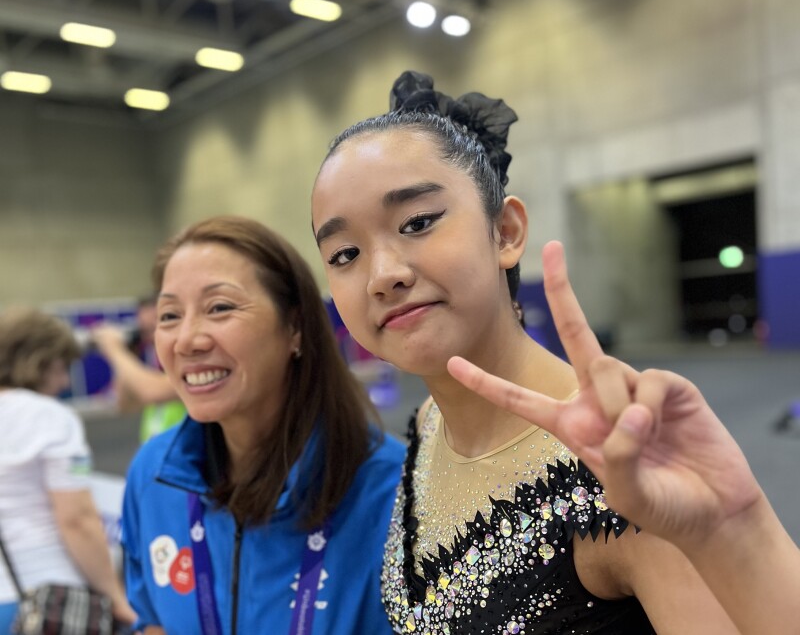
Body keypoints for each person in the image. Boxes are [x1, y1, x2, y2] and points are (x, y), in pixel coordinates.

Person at [311, 71, 800, 634]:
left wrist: (737, 531)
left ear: (506, 231)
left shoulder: (622, 470)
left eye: (418, 222)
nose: (383, 275)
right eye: (345, 253)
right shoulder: (426, 426)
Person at [121, 216, 405, 634]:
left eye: (219, 307)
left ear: (294, 327)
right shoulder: (154, 475)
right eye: (168, 316)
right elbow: (154, 621)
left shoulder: (392, 488)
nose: (186, 340)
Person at [0, 307, 136, 633]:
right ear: (39, 361)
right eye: (61, 368)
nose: (63, 382)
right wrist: (116, 596)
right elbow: (77, 520)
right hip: (46, 593)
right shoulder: (49, 417)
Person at [93, 297, 186, 443]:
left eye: (156, 326)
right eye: (145, 331)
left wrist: (114, 349)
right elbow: (125, 405)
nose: (151, 338)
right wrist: (129, 355)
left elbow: (153, 392)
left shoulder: (189, 368)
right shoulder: (153, 372)